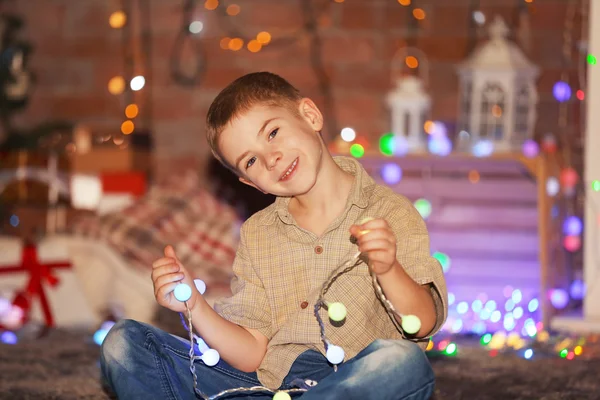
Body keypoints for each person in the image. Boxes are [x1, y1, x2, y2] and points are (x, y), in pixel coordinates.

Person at [100, 72, 448, 400]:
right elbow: (251, 353)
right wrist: (194, 304)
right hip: (269, 387)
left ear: (310, 115)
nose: (271, 159)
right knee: (124, 342)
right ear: (250, 183)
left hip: (356, 378)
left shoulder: (391, 211)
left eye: (272, 133)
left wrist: (388, 270)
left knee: (403, 362)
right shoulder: (258, 234)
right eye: (250, 161)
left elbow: (423, 323)